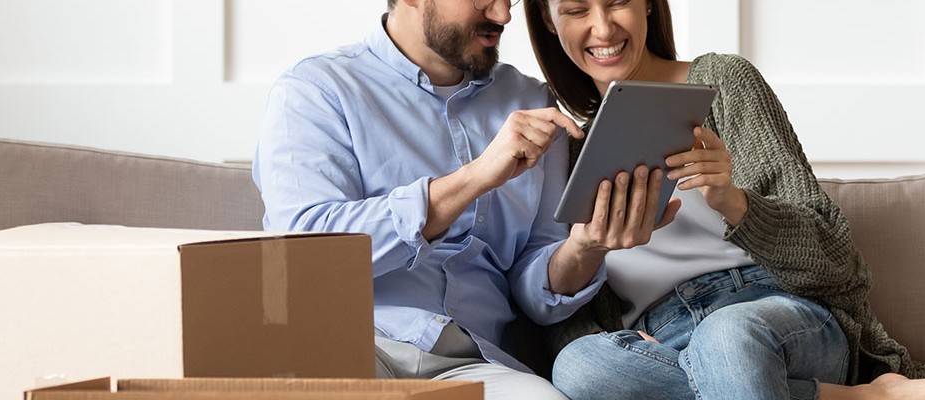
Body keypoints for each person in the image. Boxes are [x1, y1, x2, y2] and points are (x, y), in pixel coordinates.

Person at [521, 0, 925, 399]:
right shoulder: (563, 148)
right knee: (579, 368)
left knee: (727, 336)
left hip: (776, 314)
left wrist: (733, 200)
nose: (603, 28)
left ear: (647, 3)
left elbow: (835, 260)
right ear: (547, 18)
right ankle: (860, 396)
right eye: (576, 9)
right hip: (662, 336)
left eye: (618, 1)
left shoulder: (723, 82)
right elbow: (564, 314)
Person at [252, 0, 678, 398]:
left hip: (474, 361)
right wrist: (474, 178)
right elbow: (302, 255)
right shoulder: (317, 90)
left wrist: (585, 246)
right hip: (351, 344)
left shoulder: (530, 100)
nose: (503, 15)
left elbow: (537, 289)